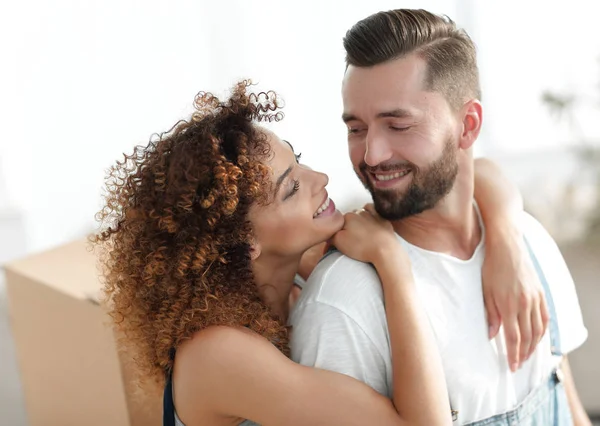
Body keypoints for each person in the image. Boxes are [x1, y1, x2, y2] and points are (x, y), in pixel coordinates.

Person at [93, 81, 548, 426]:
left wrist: (505, 240)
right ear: (244, 244)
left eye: (299, 159)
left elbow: (477, 172)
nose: (321, 179)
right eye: (291, 188)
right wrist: (394, 267)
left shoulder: (289, 278)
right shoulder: (220, 351)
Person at [290, 9, 591, 426]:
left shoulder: (528, 244)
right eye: (356, 129)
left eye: (397, 125)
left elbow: (569, 407)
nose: (372, 156)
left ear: (467, 126)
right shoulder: (343, 302)